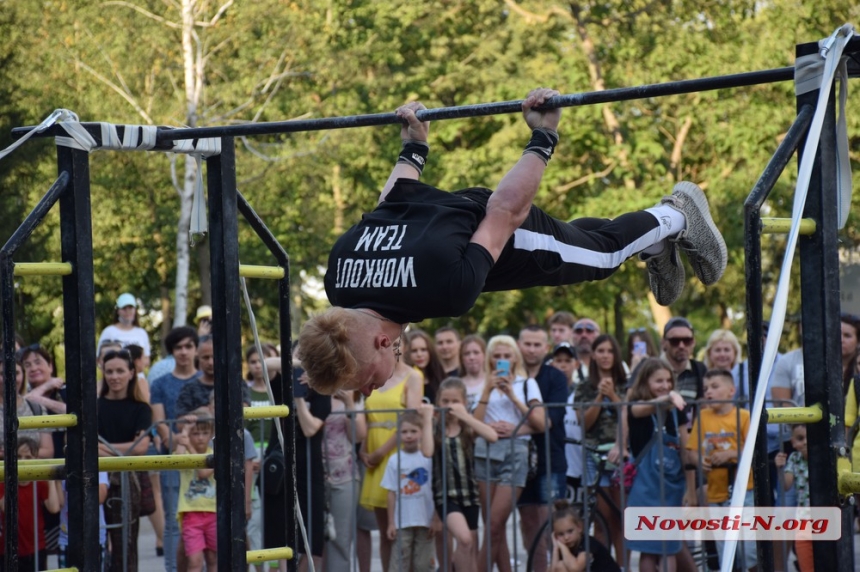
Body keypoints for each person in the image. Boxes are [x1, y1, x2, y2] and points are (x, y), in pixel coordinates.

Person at [298, 88, 728, 396]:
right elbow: (388, 203)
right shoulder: (340, 283)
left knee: (601, 255)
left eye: (367, 383)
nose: (370, 393)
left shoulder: (446, 290)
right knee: (579, 240)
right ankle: (653, 244)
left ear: (378, 344)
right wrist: (412, 149)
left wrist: (542, 137)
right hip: (455, 236)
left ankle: (675, 214)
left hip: (502, 231)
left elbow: (506, 212)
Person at [473, 335, 545, 572]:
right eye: (497, 356)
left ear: (515, 358)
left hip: (516, 453)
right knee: (494, 528)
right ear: (490, 359)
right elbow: (475, 424)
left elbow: (540, 423)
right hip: (485, 451)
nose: (502, 360)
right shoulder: (483, 383)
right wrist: (487, 388)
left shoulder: (527, 383)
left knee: (495, 523)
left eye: (507, 355)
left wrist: (512, 394)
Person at [625, 358, 694, 572]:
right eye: (658, 381)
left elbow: (686, 449)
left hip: (672, 490)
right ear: (645, 383)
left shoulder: (677, 410)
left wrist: (690, 490)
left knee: (669, 548)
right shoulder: (637, 408)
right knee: (648, 549)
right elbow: (639, 410)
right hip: (646, 491)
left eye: (668, 381)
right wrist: (669, 397)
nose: (664, 385)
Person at [685, 369, 757, 571]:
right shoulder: (704, 416)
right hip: (716, 493)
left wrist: (731, 453)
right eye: (706, 388)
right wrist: (699, 460)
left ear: (731, 391)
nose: (709, 392)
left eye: (715, 387)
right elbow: (690, 451)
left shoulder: (743, 416)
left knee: (749, 548)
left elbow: (754, 448)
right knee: (724, 547)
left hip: (745, 492)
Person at [359, 361, 424, 572]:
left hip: (398, 453)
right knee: (386, 531)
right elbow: (369, 418)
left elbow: (411, 420)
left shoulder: (413, 377)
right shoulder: (372, 375)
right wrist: (364, 447)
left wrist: (380, 452)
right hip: (374, 459)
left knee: (409, 530)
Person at [149, 326, 201, 572]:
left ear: (196, 349)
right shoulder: (159, 384)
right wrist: (178, 442)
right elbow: (160, 424)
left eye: (188, 346)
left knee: (203, 518)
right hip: (172, 458)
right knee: (172, 521)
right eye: (178, 347)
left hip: (204, 460)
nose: (183, 352)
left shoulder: (204, 380)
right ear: (172, 351)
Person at [517, 325, 569, 572]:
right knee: (529, 524)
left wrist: (516, 428)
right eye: (527, 343)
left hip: (551, 458)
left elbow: (550, 421)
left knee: (554, 525)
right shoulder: (513, 376)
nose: (531, 349)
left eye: (537, 344)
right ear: (519, 345)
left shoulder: (556, 377)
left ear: (546, 348)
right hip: (520, 462)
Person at [433, 377, 498, 571]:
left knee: (469, 548)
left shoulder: (467, 427)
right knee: (464, 539)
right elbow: (427, 451)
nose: (450, 406)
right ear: (438, 401)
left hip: (469, 495)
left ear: (464, 403)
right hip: (445, 494)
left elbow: (492, 436)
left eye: (455, 401)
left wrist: (466, 416)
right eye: (445, 401)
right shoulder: (435, 427)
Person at [97, 348, 153, 572]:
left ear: (131, 373)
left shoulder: (141, 408)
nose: (114, 376)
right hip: (98, 479)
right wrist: (125, 450)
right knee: (95, 542)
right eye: (109, 371)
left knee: (125, 547)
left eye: (120, 370)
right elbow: (87, 447)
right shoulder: (95, 407)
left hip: (128, 483)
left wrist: (103, 448)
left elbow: (141, 447)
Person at [574, 334, 626, 560]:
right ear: (593, 355)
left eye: (610, 351)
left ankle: (623, 566)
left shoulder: (627, 384)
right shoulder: (584, 387)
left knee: (621, 519)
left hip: (621, 456)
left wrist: (613, 395)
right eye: (601, 351)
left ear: (616, 355)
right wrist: (599, 396)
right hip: (593, 456)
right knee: (601, 520)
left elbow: (629, 415)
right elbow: (584, 423)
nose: (605, 356)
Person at [381, 406, 435, 572]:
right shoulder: (393, 460)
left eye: (413, 431)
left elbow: (435, 490)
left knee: (423, 564)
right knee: (399, 564)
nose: (409, 435)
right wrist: (391, 522)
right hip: (401, 522)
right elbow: (391, 492)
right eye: (404, 432)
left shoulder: (428, 458)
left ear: (422, 432)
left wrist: (436, 518)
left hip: (426, 520)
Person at [0, 436, 61, 572]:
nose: (22, 461)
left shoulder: (38, 482)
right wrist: (12, 478)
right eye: (19, 457)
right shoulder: (3, 482)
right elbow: (5, 507)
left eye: (28, 457)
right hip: (8, 548)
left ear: (35, 460)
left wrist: (50, 479)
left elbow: (54, 507)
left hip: (36, 547)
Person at [323, 387, 366, 571]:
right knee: (310, 540)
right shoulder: (308, 392)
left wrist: (349, 404)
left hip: (344, 475)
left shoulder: (353, 395)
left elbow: (359, 436)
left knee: (340, 540)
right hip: (312, 477)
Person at [174, 409, 217, 572]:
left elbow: (203, 472)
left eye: (204, 433)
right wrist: (185, 430)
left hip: (213, 512)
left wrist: (189, 446)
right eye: (196, 433)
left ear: (211, 434)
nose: (200, 438)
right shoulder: (184, 451)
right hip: (191, 514)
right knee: (194, 561)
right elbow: (176, 460)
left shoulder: (213, 453)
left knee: (213, 558)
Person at [774, 425, 811, 572]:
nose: (806, 442)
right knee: (806, 565)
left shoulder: (825, 455)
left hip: (826, 519)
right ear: (793, 442)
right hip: (803, 522)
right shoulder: (794, 458)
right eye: (801, 439)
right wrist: (780, 468)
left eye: (810, 437)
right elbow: (786, 485)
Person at [56, 470, 110, 570]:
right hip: (67, 537)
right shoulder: (63, 464)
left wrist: (83, 475)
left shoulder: (97, 465)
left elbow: (101, 497)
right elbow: (60, 503)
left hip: (94, 537)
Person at [0, 358, 53, 459]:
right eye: (3, 373)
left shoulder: (36, 408)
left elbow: (48, 451)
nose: (10, 377)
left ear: (23, 376)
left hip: (33, 473)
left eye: (16, 373)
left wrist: (19, 454)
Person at [548, 500, 619, 572]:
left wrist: (562, 546)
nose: (566, 537)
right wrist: (556, 549)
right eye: (561, 534)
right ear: (555, 535)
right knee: (560, 566)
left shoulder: (588, 543)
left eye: (570, 531)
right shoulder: (566, 546)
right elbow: (553, 570)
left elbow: (575, 568)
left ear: (579, 528)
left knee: (562, 566)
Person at [98, 292, 152, 369]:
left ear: (135, 310)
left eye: (130, 308)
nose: (127, 311)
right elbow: (100, 359)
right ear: (118, 311)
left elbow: (147, 359)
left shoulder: (142, 333)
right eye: (124, 308)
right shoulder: (109, 332)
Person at [405, 329, 446, 405]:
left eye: (423, 350)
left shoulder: (440, 377)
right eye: (414, 351)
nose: (419, 354)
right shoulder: (403, 380)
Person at [458, 334, 487, 409]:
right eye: (467, 354)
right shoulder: (457, 384)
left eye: (476, 352)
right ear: (462, 358)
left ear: (485, 355)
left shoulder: (492, 381)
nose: (472, 357)